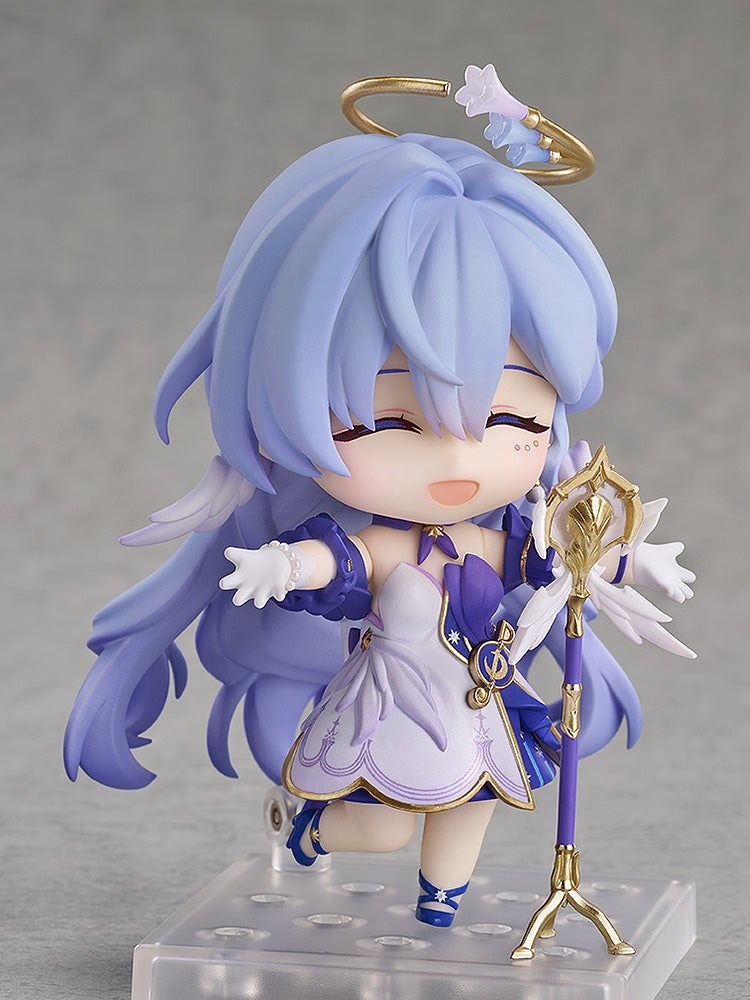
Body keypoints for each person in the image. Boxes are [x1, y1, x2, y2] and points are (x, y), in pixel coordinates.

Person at [65, 117, 693, 927]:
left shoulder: (499, 536)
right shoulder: (391, 544)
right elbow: (344, 562)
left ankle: (443, 901)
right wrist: (283, 566)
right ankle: (312, 830)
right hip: (390, 710)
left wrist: (632, 560)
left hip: (478, 702)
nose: (458, 457)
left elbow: (559, 559)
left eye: (512, 419)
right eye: (390, 422)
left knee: (478, 798)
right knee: (384, 826)